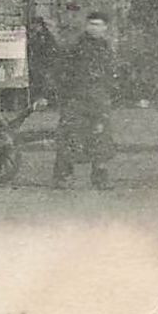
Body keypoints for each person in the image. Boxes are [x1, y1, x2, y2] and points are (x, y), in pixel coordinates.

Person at [54, 12, 118, 190]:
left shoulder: (106, 47)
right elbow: (61, 69)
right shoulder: (75, 45)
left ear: (105, 27)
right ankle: (63, 176)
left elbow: (111, 73)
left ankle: (100, 178)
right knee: (69, 135)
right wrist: (66, 91)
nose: (94, 28)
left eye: (98, 25)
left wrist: (110, 91)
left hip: (99, 98)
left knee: (101, 138)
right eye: (91, 24)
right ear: (86, 25)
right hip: (76, 97)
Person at [28, 16, 61, 106]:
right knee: (40, 81)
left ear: (39, 25)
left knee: (43, 82)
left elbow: (44, 49)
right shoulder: (40, 35)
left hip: (45, 63)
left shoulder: (44, 36)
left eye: (35, 24)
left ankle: (44, 101)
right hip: (41, 63)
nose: (33, 26)